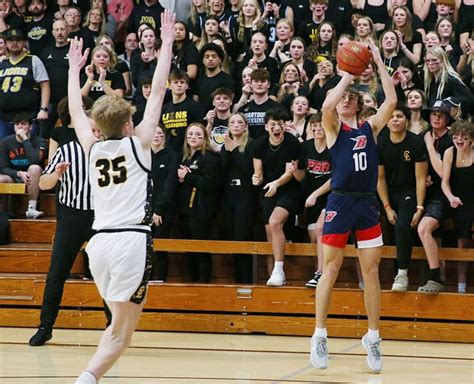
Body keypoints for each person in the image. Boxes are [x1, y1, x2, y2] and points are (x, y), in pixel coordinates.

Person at [67, 9, 175, 384]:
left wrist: (72, 68)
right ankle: (86, 379)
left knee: (115, 328)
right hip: (131, 240)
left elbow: (77, 110)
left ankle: (90, 378)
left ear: (99, 127)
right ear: (128, 123)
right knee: (120, 334)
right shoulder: (140, 144)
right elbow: (159, 90)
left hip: (97, 244)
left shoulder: (90, 146)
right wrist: (167, 43)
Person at [310, 40, 396, 373]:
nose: (345, 100)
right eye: (343, 97)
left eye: (352, 98)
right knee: (329, 270)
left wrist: (375, 59)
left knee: (371, 273)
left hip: (366, 204)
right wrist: (347, 75)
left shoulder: (369, 128)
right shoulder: (333, 127)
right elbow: (328, 104)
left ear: (359, 105)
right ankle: (319, 334)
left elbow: (391, 100)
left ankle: (373, 337)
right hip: (340, 202)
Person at [28, 100, 99, 346]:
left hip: (101, 218)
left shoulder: (110, 150)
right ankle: (45, 326)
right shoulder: (66, 149)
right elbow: (44, 183)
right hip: (71, 216)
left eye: (96, 129)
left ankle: (113, 327)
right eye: (89, 128)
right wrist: (57, 174)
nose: (93, 133)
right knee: (57, 273)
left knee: (108, 275)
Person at [377, 103, 428, 292]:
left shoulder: (415, 142)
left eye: (399, 116)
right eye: (391, 117)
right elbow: (379, 178)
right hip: (386, 193)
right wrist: (387, 206)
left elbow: (420, 178)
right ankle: (372, 274)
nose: (395, 120)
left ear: (406, 120)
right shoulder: (380, 143)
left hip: (409, 192)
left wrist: (420, 207)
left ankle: (402, 274)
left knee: (401, 225)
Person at [252, 107, 302, 286]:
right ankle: (274, 276)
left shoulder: (292, 143)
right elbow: (258, 172)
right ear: (266, 127)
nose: (276, 128)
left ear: (285, 126)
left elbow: (290, 172)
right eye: (272, 125)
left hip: (290, 190)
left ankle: (279, 270)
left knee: (275, 222)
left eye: (280, 124)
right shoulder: (258, 144)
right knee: (269, 234)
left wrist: (276, 183)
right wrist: (256, 179)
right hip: (268, 190)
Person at [417, 100, 453, 294]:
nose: (437, 117)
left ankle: (435, 277)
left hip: (444, 195)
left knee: (424, 229)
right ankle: (434, 278)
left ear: (447, 119)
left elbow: (441, 171)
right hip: (423, 193)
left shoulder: (452, 139)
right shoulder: (423, 136)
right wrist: (423, 178)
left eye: (441, 115)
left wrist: (430, 146)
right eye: (434, 114)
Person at [176, 123, 221, 282]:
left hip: (201, 210)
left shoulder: (209, 156)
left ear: (205, 138)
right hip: (185, 210)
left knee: (200, 248)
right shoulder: (186, 157)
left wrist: (187, 177)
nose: (193, 138)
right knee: (189, 250)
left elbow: (211, 184)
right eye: (190, 135)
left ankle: (203, 283)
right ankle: (193, 282)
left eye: (198, 135)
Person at [292, 113, 332, 288]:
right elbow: (301, 176)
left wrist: (316, 194)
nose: (317, 128)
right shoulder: (305, 147)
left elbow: (336, 178)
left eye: (321, 125)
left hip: (330, 197)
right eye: (314, 125)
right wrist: (294, 171)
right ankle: (319, 275)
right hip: (310, 200)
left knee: (320, 230)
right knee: (314, 237)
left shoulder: (334, 147)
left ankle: (321, 274)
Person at [220, 112, 256, 283]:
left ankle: (246, 281)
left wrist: (234, 150)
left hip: (245, 195)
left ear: (245, 126)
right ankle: (236, 281)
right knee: (231, 237)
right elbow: (222, 170)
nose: (235, 125)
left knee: (242, 237)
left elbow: (248, 169)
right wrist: (227, 151)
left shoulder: (251, 144)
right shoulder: (225, 145)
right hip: (229, 195)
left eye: (239, 122)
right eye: (232, 122)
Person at [440, 119, 473, 293]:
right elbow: (444, 182)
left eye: (464, 137)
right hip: (456, 199)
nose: (459, 139)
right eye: (456, 136)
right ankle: (461, 286)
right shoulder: (449, 152)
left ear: (471, 139)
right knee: (462, 243)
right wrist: (451, 197)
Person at [0, 28, 50, 139]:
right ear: (6, 44)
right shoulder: (2, 62)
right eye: (11, 41)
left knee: (28, 151)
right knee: (3, 152)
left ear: (23, 42)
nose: (14, 43)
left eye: (18, 40)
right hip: (4, 118)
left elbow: (45, 85)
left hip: (27, 118)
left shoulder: (33, 60)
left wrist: (44, 109)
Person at [0, 113, 46, 218]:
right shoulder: (6, 142)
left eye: (23, 124)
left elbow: (34, 160)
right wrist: (18, 173)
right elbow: (3, 167)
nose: (20, 127)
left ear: (30, 126)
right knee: (1, 178)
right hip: (14, 176)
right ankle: (2, 212)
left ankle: (32, 208)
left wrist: (25, 139)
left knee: (34, 168)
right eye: (17, 124)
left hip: (34, 177)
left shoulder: (39, 141)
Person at [151, 125, 179, 281]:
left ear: (164, 136)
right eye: (154, 133)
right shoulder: (144, 155)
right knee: (144, 248)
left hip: (163, 210)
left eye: (160, 133)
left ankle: (161, 279)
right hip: (145, 209)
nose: (156, 136)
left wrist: (159, 210)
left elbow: (169, 185)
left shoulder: (171, 155)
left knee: (160, 246)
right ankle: (145, 279)